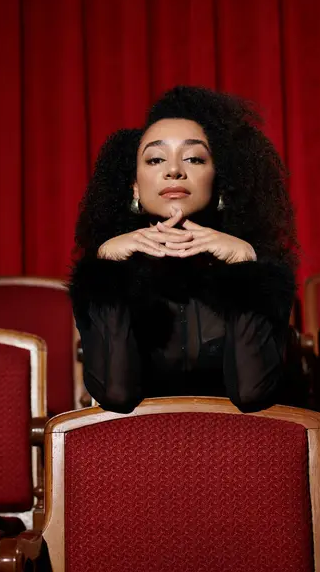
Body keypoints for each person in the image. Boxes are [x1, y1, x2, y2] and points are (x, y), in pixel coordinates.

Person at [69, 86, 298, 413]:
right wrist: (107, 269)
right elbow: (116, 394)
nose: (173, 170)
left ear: (220, 181)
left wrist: (246, 266)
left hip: (243, 455)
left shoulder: (264, 272)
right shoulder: (100, 277)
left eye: (193, 158)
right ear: (134, 185)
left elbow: (252, 394)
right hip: (136, 457)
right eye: (155, 158)